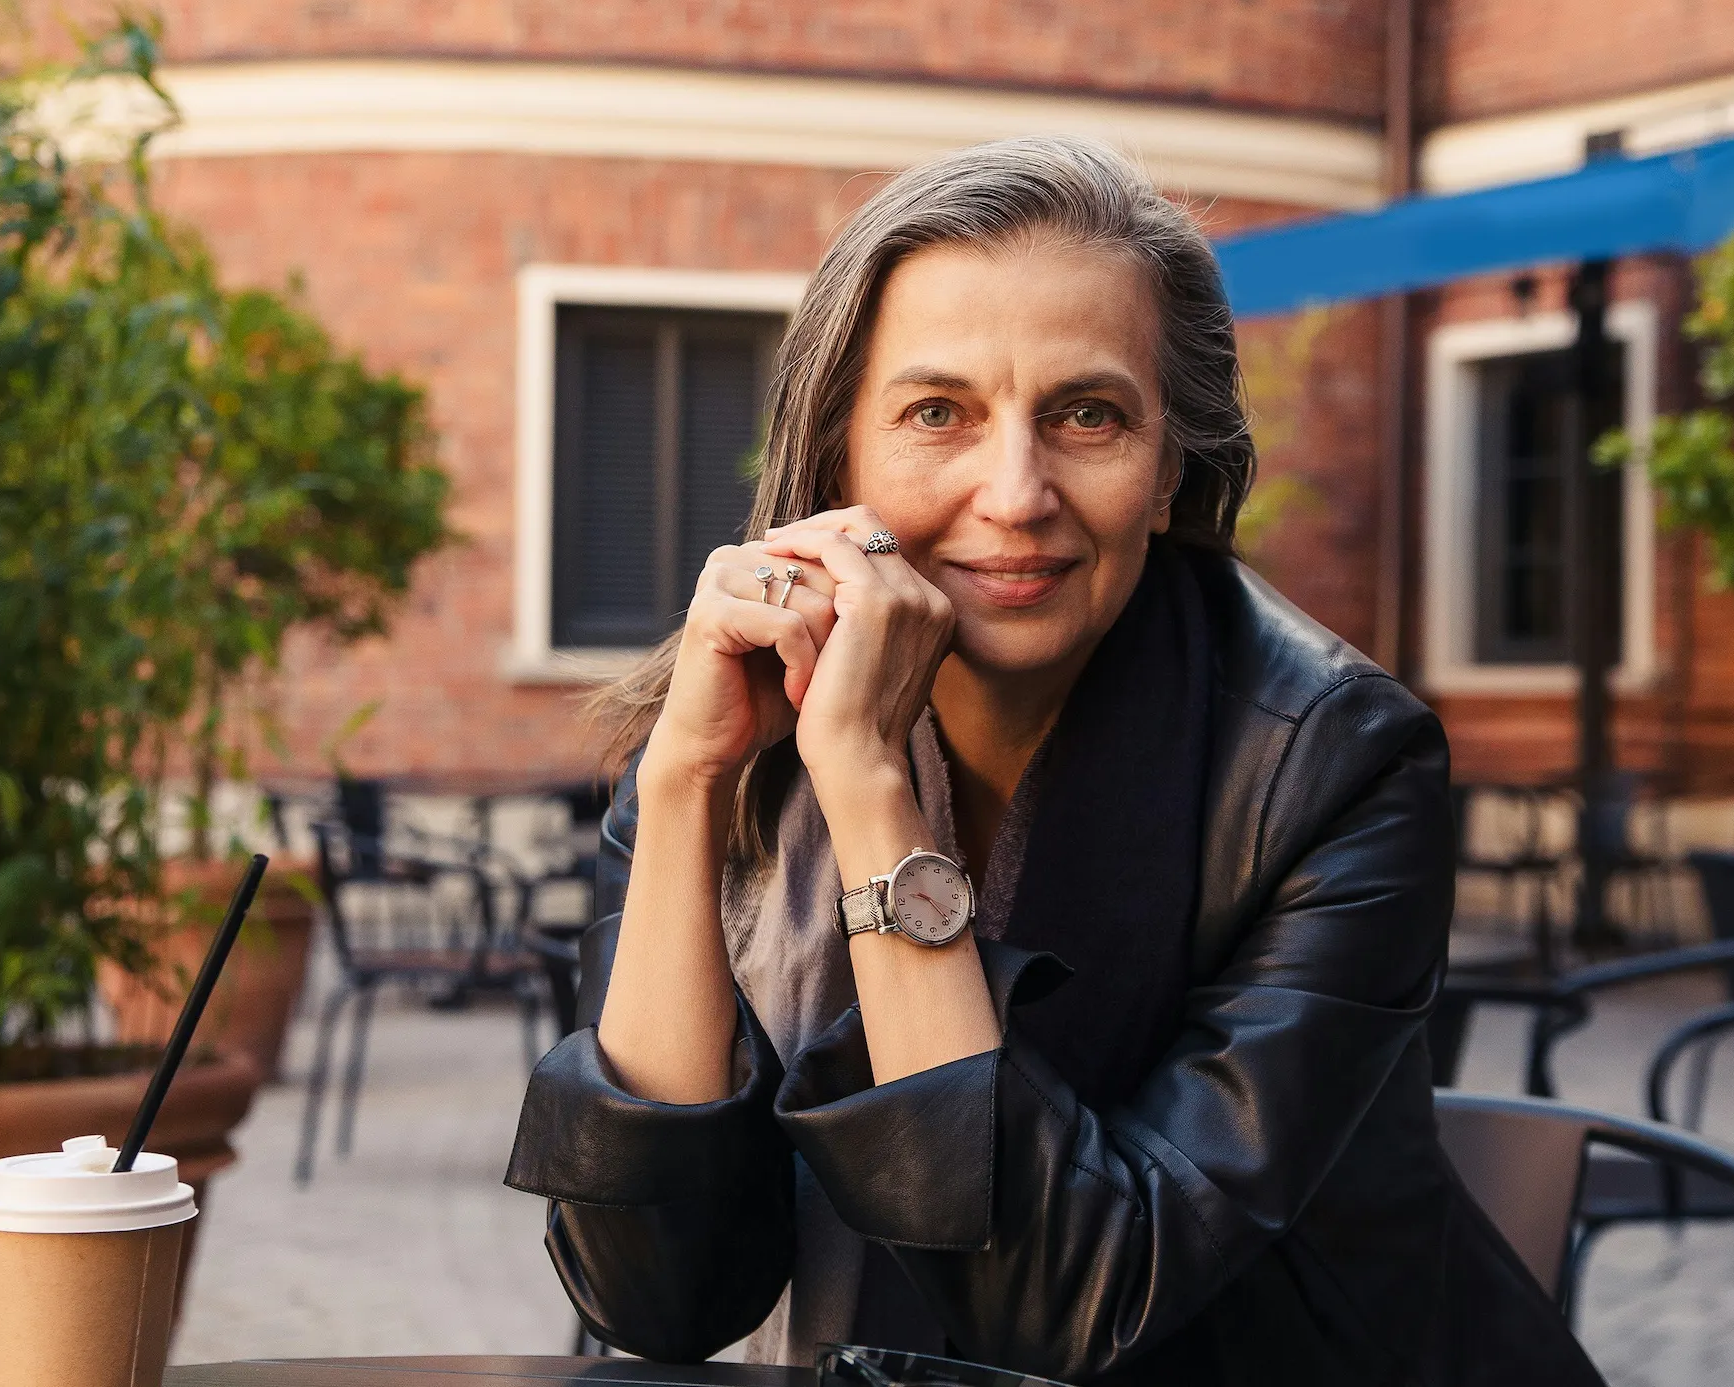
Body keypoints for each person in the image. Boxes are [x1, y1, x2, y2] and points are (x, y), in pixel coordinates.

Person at [506, 136, 1601, 1386]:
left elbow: (1073, 1298)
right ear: (838, 458)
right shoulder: (725, 741)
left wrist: (870, 796)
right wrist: (685, 786)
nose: (1015, 492)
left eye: (1088, 415)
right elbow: (650, 1289)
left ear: (1169, 466)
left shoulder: (1333, 764)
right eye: (936, 414)